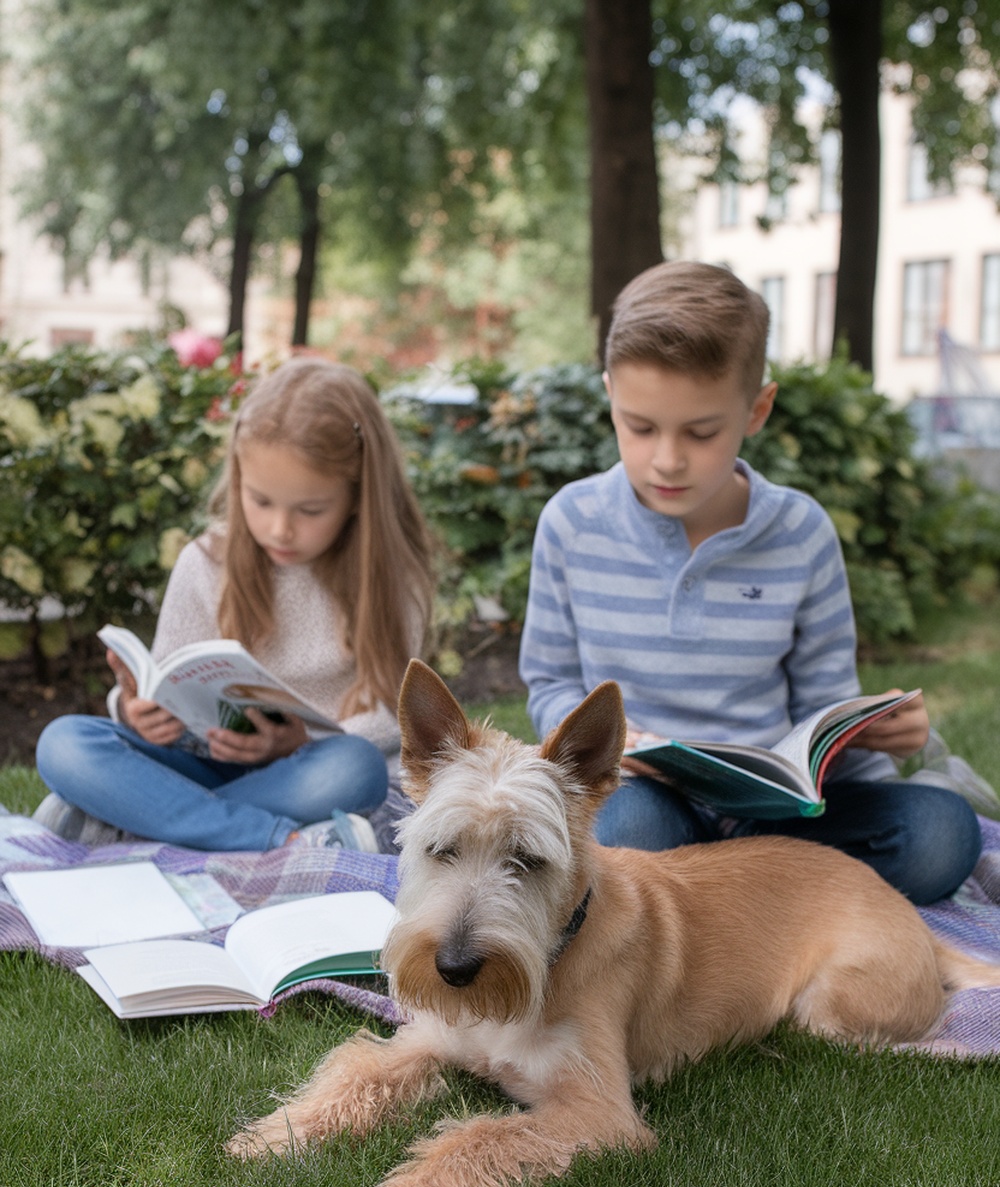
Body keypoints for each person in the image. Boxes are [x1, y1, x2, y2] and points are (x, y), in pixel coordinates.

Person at [518, 260, 982, 905]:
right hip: (643, 798)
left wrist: (880, 736)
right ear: (610, 397)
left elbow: (823, 704)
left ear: (756, 408)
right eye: (640, 427)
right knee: (625, 829)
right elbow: (550, 681)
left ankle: (715, 894)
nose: (667, 459)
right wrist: (611, 746)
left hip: (776, 813)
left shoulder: (800, 532)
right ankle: (766, 897)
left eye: (701, 432)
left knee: (941, 833)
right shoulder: (572, 522)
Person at [34, 358, 434, 852]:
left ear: (357, 497)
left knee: (356, 769)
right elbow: (168, 678)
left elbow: (389, 716)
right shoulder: (206, 561)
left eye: (310, 510)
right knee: (64, 743)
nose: (279, 529)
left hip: (306, 769)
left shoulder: (393, 579)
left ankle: (141, 819)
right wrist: (137, 711)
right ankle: (275, 838)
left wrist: (297, 743)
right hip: (201, 762)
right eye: (260, 501)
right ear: (238, 478)